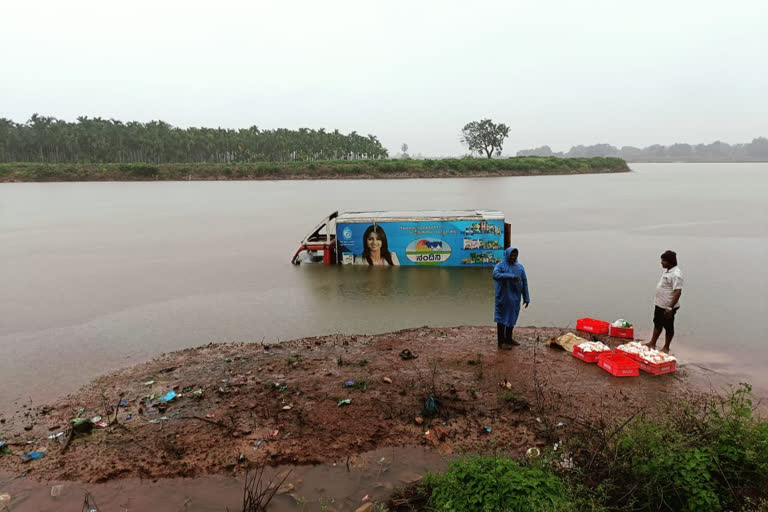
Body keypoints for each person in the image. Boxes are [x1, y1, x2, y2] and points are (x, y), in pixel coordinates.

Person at [646, 250, 683, 353]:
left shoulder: (676, 274)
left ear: (670, 262)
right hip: (660, 304)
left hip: (668, 306)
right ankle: (652, 343)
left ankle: (666, 347)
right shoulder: (667, 270)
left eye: (663, 261)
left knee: (668, 326)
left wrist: (670, 308)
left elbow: (678, 292)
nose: (661, 263)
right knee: (657, 323)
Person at [492, 247, 530, 348]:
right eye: (511, 255)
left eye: (515, 255)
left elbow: (524, 282)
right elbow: (495, 275)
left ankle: (508, 339)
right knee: (502, 319)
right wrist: (511, 276)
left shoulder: (520, 267)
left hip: (515, 298)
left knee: (512, 318)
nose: (513, 257)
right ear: (507, 255)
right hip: (503, 298)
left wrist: (526, 298)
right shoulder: (500, 266)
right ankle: (501, 342)